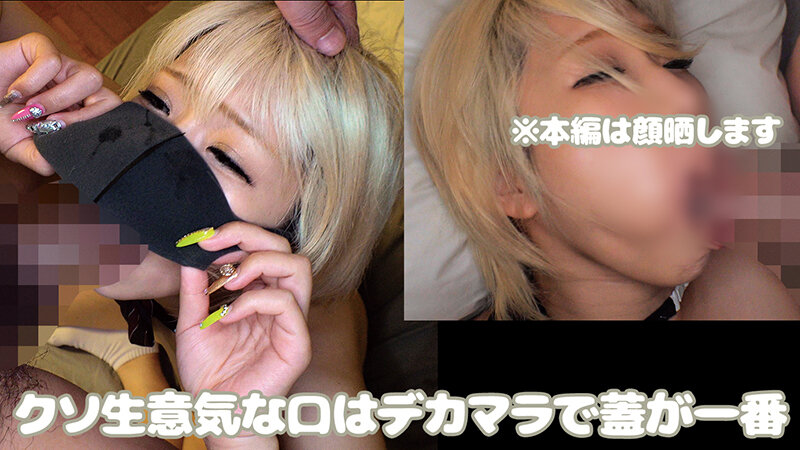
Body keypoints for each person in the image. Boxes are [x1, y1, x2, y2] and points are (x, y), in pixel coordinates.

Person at [0, 1, 401, 449]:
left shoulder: (315, 352)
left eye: (226, 158)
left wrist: (237, 431)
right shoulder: (105, 142)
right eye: (156, 103)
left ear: (292, 233)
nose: (140, 158)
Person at [411, 0, 800, 320]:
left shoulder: (761, 274)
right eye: (601, 75)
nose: (686, 99)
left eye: (676, 63)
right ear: (509, 180)